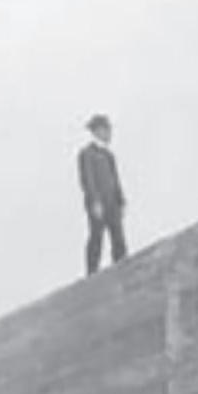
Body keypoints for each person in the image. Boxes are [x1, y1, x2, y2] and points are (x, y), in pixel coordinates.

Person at [77, 113, 128, 275]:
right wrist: (95, 201)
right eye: (107, 130)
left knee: (118, 236)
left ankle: (121, 267)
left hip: (112, 202)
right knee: (96, 237)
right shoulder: (87, 154)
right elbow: (88, 180)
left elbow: (115, 179)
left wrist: (121, 200)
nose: (109, 134)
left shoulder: (109, 155)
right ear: (98, 131)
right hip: (98, 203)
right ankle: (92, 272)